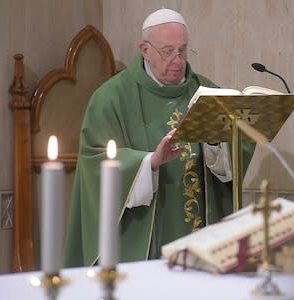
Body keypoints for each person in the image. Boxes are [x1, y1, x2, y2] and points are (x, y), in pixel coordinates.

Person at [63, 8, 255, 267]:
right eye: (168, 51)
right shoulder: (110, 98)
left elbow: (232, 165)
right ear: (145, 50)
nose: (177, 60)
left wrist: (214, 144)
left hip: (202, 245)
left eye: (183, 50)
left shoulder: (209, 94)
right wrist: (149, 162)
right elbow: (95, 164)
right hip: (144, 246)